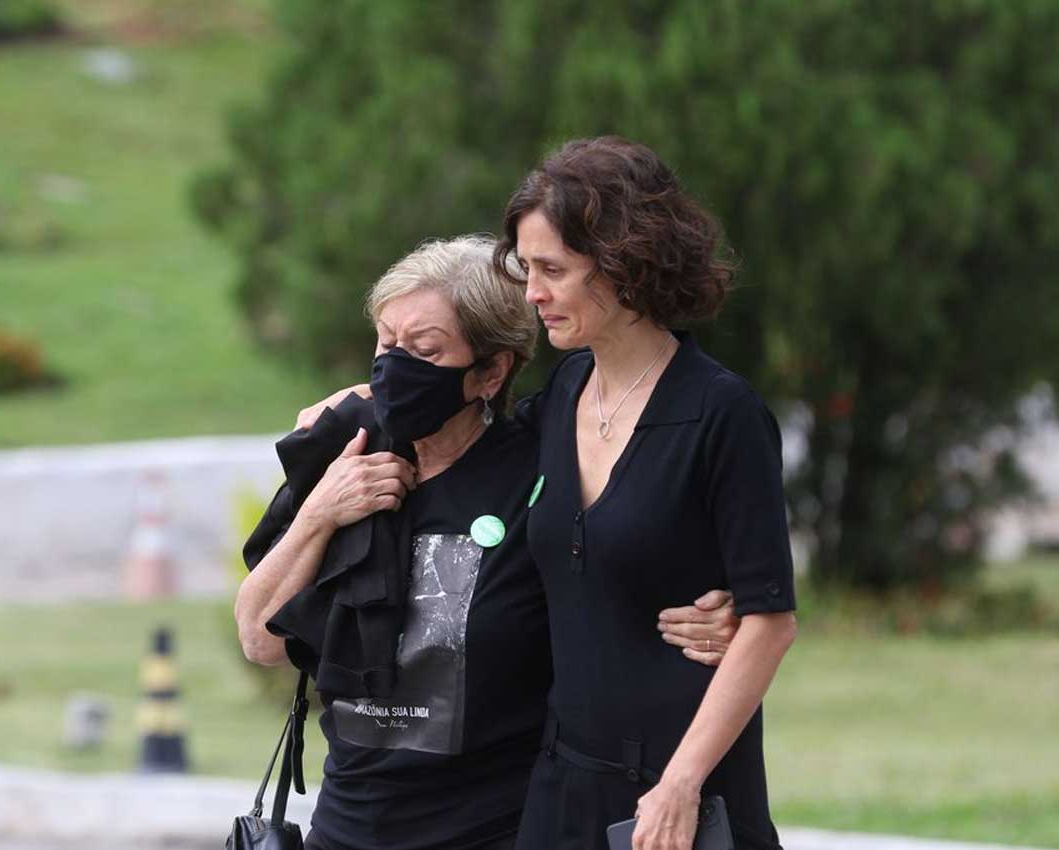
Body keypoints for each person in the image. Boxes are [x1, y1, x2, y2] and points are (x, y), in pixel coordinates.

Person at [235, 235, 739, 850]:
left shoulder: (540, 474)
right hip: (345, 830)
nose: (393, 367)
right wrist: (321, 511)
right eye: (385, 343)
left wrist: (720, 610)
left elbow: (620, 573)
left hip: (491, 829)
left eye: (423, 350)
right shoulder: (347, 454)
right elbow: (261, 639)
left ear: (491, 372)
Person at [495, 137, 798, 850]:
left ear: (626, 265)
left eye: (553, 270)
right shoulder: (561, 394)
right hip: (561, 789)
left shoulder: (723, 414)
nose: (533, 293)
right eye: (527, 269)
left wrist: (680, 784)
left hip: (680, 804)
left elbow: (770, 621)